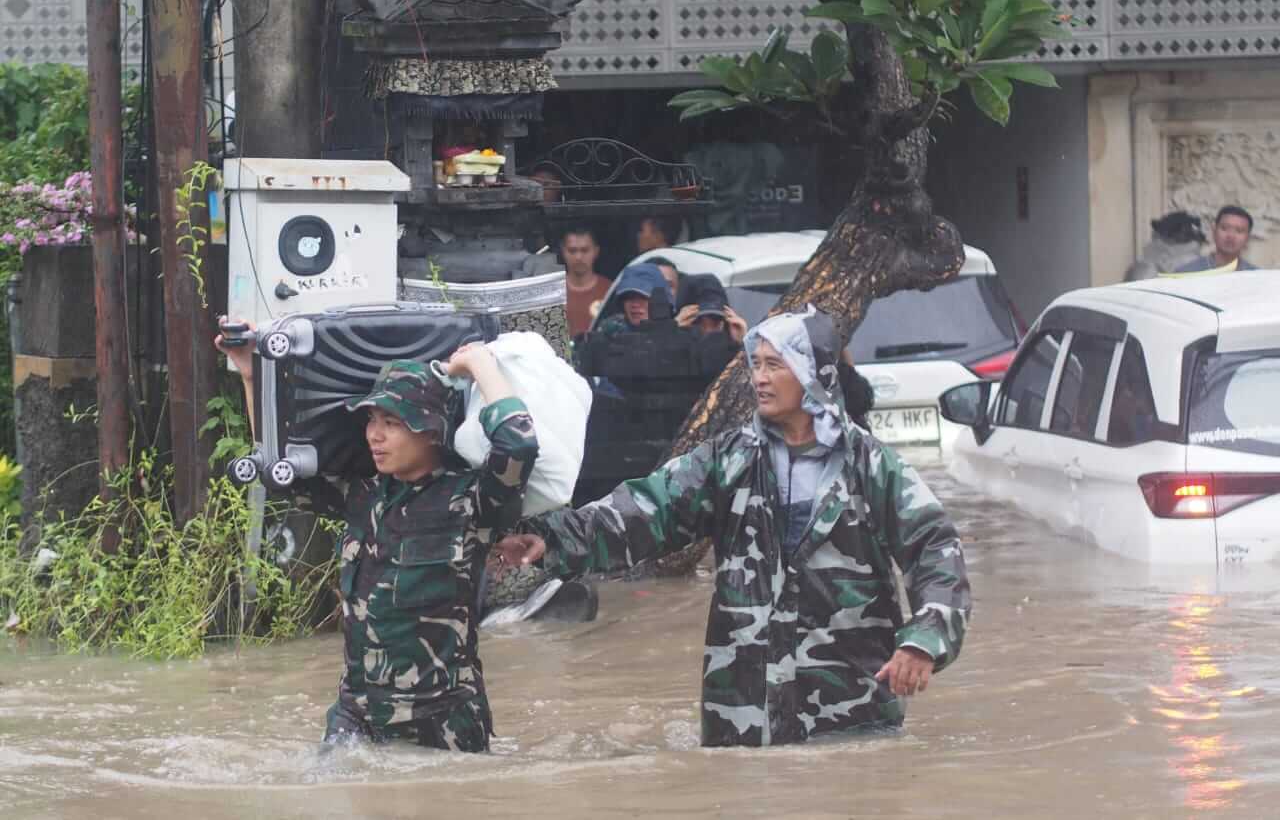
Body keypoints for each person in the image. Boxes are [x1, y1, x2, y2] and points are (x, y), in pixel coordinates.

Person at [497, 307, 971, 748]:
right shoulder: (730, 460)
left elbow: (936, 551)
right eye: (756, 364)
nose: (759, 379)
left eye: (775, 366)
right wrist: (555, 537)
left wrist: (924, 640)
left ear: (815, 374)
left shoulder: (873, 468)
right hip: (745, 715)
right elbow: (647, 508)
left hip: (851, 710)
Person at [215, 324, 538, 752]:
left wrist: (479, 364)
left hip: (442, 723)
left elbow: (518, 444)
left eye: (391, 422)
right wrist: (251, 375)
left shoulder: (469, 501)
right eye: (371, 420)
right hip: (357, 714)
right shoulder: (362, 495)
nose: (375, 435)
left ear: (429, 430)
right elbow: (279, 472)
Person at [561, 226, 612, 337]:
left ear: (596, 251)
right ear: (563, 252)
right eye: (572, 251)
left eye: (585, 250)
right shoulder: (553, 293)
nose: (579, 257)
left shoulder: (609, 290)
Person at [1174, 206, 1257, 273]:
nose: (1231, 236)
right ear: (1214, 231)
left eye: (1239, 231)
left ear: (1247, 238)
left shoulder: (1257, 277)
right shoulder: (1187, 273)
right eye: (1224, 228)